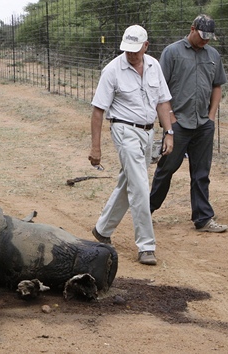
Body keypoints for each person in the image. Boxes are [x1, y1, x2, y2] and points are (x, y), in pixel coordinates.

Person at [88, 25, 174, 266]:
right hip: (124, 130)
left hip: (148, 133)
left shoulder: (154, 66)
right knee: (139, 186)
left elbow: (163, 102)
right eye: (127, 50)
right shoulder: (112, 70)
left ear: (146, 46)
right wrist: (96, 148)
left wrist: (169, 132)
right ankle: (146, 246)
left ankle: (102, 229)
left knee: (129, 181)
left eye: (136, 50)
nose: (131, 54)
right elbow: (98, 111)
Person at [150, 14, 228, 233]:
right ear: (192, 29)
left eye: (209, 38)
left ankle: (203, 218)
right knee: (166, 169)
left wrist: (211, 116)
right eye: (202, 36)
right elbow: (159, 88)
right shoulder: (172, 52)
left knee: (201, 172)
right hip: (178, 124)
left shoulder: (213, 55)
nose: (206, 41)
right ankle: (147, 211)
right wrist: (170, 120)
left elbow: (217, 86)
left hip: (203, 124)